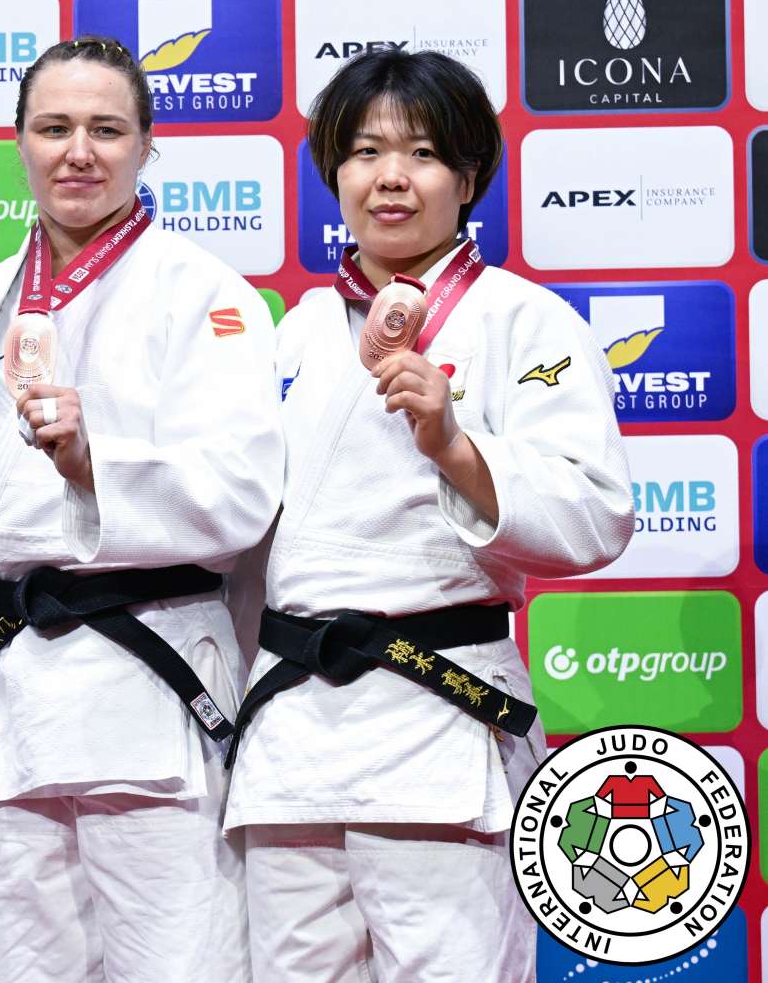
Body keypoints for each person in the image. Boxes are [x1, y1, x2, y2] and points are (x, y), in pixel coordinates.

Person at [223, 49, 635, 981]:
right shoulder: (292, 335)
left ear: (470, 175)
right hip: (294, 729)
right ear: (333, 171)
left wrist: (456, 445)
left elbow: (595, 516)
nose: (391, 178)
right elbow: (242, 542)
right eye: (365, 151)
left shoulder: (525, 323)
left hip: (438, 718)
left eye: (422, 153)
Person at [0, 36, 283, 982]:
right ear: (20, 142)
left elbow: (241, 492)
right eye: (54, 128)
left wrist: (96, 465)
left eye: (106, 129)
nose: (78, 151)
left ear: (146, 146)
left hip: (149, 680)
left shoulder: (208, 295)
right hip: (12, 697)